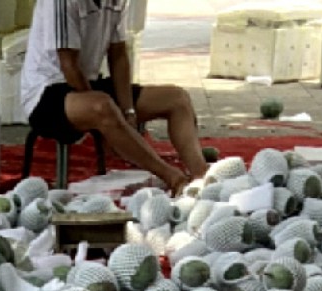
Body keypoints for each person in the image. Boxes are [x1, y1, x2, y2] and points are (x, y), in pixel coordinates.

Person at [19, 0, 207, 192]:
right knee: (103, 107)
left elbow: (118, 55)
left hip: (88, 83)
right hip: (46, 93)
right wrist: (105, 124)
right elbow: (69, 65)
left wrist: (128, 111)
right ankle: (172, 178)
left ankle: (201, 176)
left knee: (176, 99)